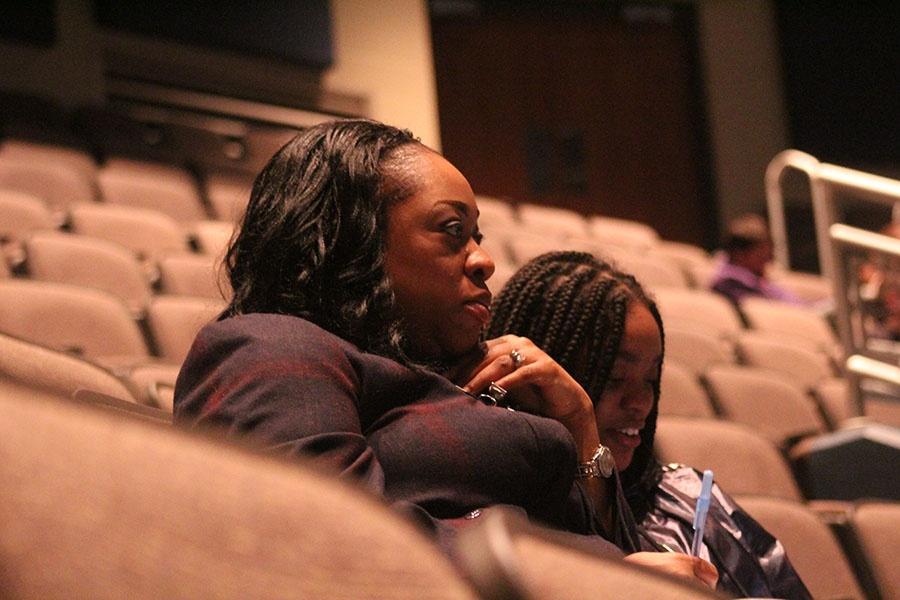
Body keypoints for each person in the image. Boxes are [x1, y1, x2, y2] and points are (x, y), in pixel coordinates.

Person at [174, 119, 716, 587]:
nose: (483, 262)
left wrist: (579, 422)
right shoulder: (274, 344)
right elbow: (332, 540)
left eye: (476, 235)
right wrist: (604, 584)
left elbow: (613, 545)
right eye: (452, 232)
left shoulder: (459, 378)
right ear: (354, 238)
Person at [487, 251, 812, 599]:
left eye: (650, 380)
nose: (640, 402)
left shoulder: (687, 496)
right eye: (614, 379)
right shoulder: (495, 511)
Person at [709, 213, 804, 306]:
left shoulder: (753, 278)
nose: (770, 260)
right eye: (763, 256)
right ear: (740, 254)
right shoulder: (731, 286)